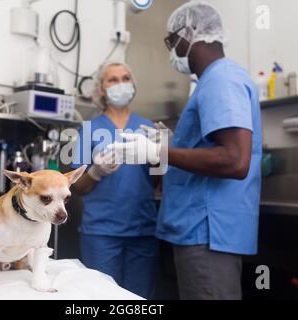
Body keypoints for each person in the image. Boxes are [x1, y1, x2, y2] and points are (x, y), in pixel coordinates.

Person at [108, 1, 262, 300]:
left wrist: (160, 151)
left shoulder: (221, 79)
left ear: (189, 32)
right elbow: (211, 147)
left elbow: (234, 159)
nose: (171, 51)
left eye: (171, 41)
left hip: (207, 233)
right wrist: (170, 143)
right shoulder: (214, 81)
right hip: (203, 231)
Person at [70, 61, 159, 299]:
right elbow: (76, 187)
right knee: (100, 297)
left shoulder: (148, 128)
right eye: (113, 80)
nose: (121, 84)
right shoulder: (89, 129)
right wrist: (96, 172)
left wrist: (162, 150)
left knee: (139, 300)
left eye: (126, 78)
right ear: (101, 88)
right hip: (102, 232)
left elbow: (158, 182)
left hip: (142, 230)